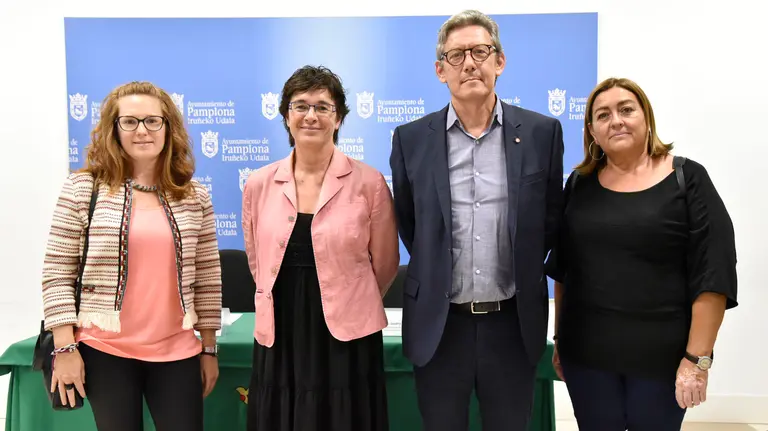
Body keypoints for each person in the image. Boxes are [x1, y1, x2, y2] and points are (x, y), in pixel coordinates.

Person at [389, 10, 564, 431]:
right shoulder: (410, 139)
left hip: (512, 322)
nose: (469, 63)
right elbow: (412, 226)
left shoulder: (542, 133)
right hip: (439, 325)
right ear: (439, 70)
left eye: (480, 51)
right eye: (456, 55)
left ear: (499, 61)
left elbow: (549, 222)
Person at [546, 77, 738, 430]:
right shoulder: (578, 185)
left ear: (646, 118)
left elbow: (714, 275)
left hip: (662, 362)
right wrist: (559, 340)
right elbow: (564, 270)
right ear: (592, 131)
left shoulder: (687, 179)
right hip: (586, 359)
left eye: (626, 110)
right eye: (603, 115)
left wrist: (697, 360)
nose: (615, 120)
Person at [41, 81, 222, 431]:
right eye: (130, 122)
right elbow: (57, 273)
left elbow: (208, 276)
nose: (142, 131)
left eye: (153, 121)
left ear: (169, 128)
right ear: (114, 129)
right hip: (105, 350)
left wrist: (209, 348)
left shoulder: (195, 196)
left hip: (177, 351)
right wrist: (64, 349)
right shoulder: (83, 189)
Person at [241, 65, 399, 431]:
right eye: (300, 105)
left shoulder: (369, 182)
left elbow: (386, 263)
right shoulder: (259, 183)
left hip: (347, 334)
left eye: (323, 107)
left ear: (339, 118)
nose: (311, 115)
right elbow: (256, 259)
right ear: (286, 116)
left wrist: (351, 300)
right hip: (280, 326)